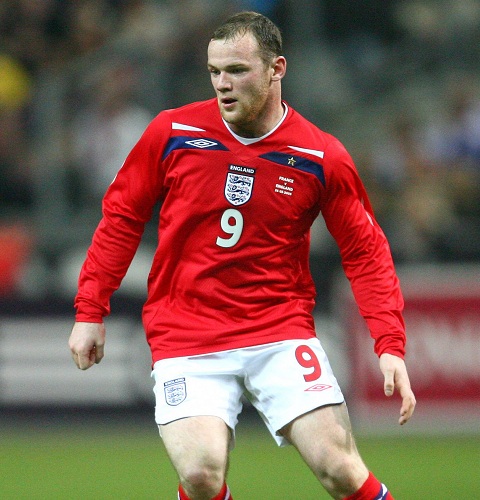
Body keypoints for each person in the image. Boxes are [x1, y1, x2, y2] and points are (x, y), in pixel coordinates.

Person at [68, 11, 416, 500]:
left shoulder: (321, 156)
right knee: (201, 474)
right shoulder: (172, 132)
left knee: (340, 467)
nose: (222, 84)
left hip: (278, 328)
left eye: (236, 70)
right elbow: (121, 217)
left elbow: (365, 251)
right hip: (186, 330)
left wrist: (389, 343)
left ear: (277, 69)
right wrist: (90, 310)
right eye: (214, 71)